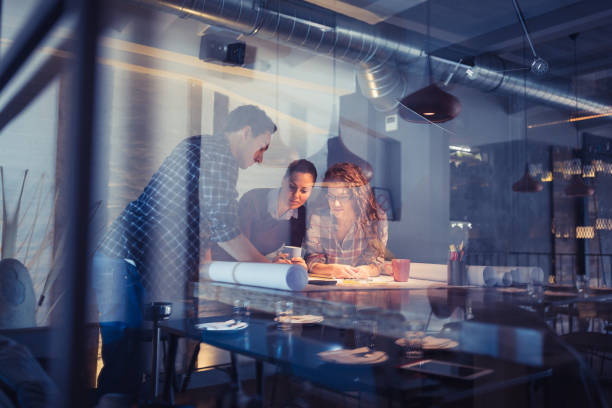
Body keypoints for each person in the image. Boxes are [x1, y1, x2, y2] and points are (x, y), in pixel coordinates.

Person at [92, 105, 278, 397]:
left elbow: (202, 223)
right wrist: (272, 270)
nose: (261, 157)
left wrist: (205, 264)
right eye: (262, 146)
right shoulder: (217, 154)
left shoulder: (206, 150)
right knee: (122, 366)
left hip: (125, 262)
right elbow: (224, 227)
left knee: (129, 365)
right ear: (246, 133)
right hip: (122, 261)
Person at [211, 159, 317, 267]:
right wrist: (270, 265)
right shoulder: (253, 200)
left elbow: (291, 254)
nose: (296, 195)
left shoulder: (300, 214)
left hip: (258, 266)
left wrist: (294, 263)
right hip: (226, 265)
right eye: (292, 187)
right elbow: (240, 251)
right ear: (283, 180)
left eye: (304, 191)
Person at [303, 162, 388, 279]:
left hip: (360, 286)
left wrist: (365, 270)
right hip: (328, 286)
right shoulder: (318, 218)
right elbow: (311, 260)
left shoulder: (376, 218)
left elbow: (376, 263)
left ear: (356, 196)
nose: (336, 204)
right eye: (331, 197)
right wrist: (331, 269)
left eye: (343, 197)